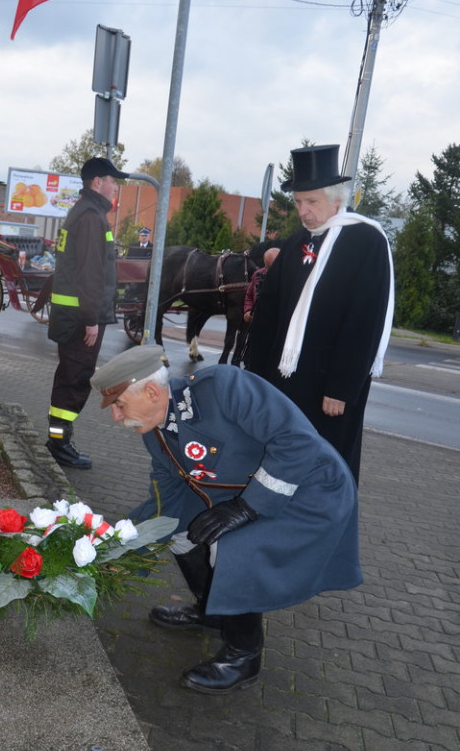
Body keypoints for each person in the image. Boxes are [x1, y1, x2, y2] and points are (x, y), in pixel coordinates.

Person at [90, 343, 362, 694]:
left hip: (310, 489)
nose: (116, 417)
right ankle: (212, 611)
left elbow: (298, 442)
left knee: (231, 545)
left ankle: (244, 655)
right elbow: (165, 501)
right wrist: (116, 549)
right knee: (176, 529)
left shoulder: (223, 387)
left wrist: (248, 508)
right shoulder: (155, 433)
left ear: (153, 391)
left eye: (119, 405)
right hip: (247, 493)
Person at [247, 144, 394, 483]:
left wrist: (342, 388)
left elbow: (364, 321)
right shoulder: (299, 241)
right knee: (279, 461)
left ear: (336, 199)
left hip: (329, 388)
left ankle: (325, 527)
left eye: (312, 202)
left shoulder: (365, 241)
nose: (303, 210)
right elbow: (268, 312)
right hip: (283, 381)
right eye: (298, 202)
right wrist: (255, 375)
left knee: (326, 467)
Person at [46, 157, 128, 469]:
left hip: (72, 315)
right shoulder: (93, 217)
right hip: (81, 319)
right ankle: (59, 445)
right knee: (74, 380)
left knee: (70, 377)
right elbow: (90, 274)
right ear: (97, 182)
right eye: (112, 180)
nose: (115, 186)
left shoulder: (81, 212)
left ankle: (58, 439)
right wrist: (92, 319)